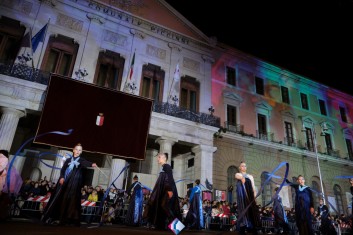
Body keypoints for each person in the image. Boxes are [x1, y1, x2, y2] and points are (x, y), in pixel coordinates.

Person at [41, 143, 97, 226]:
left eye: (80, 150)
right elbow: (63, 170)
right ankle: (53, 217)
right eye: (76, 149)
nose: (78, 151)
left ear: (81, 152)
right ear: (73, 150)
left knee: (71, 201)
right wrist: (62, 177)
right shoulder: (68, 160)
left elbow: (86, 162)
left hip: (73, 185)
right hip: (64, 183)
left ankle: (68, 219)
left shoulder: (81, 160)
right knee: (59, 198)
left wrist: (92, 164)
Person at [143, 152, 181, 230]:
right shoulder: (164, 167)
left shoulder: (167, 166)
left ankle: (176, 227)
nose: (158, 158)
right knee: (161, 206)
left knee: (165, 206)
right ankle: (160, 225)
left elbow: (170, 178)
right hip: (165, 190)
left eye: (159, 157)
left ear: (164, 158)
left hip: (168, 190)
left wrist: (170, 190)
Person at [235, 161, 261, 235]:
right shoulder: (238, 174)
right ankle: (242, 228)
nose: (244, 167)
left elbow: (253, 187)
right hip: (242, 197)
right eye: (242, 166)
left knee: (252, 211)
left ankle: (253, 228)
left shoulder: (250, 176)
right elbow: (237, 176)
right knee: (243, 211)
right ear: (240, 167)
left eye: (245, 166)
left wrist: (255, 198)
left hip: (250, 197)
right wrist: (242, 177)